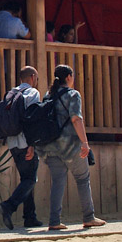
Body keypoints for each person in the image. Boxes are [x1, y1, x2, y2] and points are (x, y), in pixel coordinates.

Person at [35, 64, 107, 231]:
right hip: (70, 145)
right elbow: (76, 119)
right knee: (82, 179)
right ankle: (89, 217)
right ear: (68, 77)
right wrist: (85, 142)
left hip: (50, 145)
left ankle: (54, 221)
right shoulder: (73, 94)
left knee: (58, 182)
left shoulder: (48, 95)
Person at [0, 66, 44, 230]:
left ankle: (30, 217)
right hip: (26, 141)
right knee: (31, 179)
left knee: (26, 179)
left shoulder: (11, 93)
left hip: (12, 142)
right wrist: (32, 144)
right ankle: (9, 206)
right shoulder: (33, 93)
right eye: (36, 78)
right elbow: (32, 119)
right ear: (32, 77)